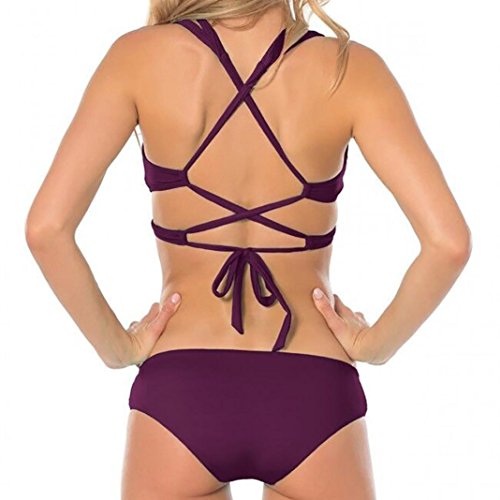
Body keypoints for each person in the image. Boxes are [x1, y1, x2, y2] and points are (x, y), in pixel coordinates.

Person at [25, 1, 472, 499]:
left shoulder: (137, 58)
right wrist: (375, 346)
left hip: (181, 388)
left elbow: (47, 229)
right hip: (313, 388)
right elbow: (448, 243)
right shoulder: (350, 68)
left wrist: (118, 349)